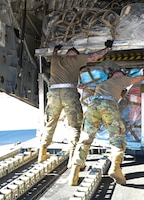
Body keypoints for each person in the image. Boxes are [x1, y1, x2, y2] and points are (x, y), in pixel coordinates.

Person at [68, 68, 144, 186]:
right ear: (117, 75)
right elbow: (135, 79)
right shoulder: (120, 80)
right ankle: (115, 168)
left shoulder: (102, 84)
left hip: (93, 106)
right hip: (108, 106)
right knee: (117, 136)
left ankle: (74, 173)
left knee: (86, 138)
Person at [38, 40, 114, 169]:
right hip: (69, 93)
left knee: (51, 122)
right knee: (74, 125)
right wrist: (107, 48)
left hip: (53, 93)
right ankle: (72, 158)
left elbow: (54, 52)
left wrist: (56, 48)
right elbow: (94, 56)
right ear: (75, 54)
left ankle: (42, 153)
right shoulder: (77, 59)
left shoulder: (55, 59)